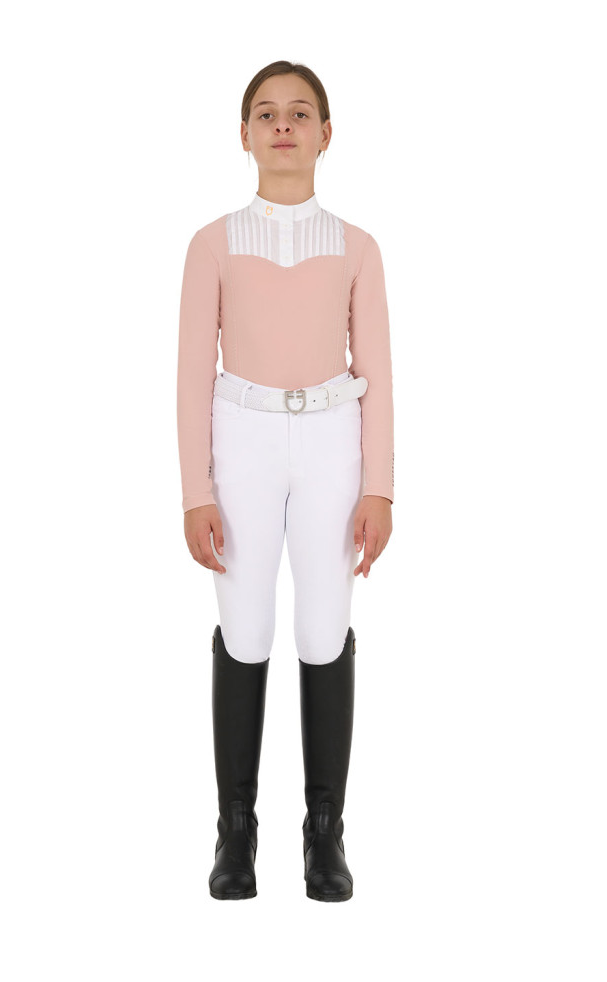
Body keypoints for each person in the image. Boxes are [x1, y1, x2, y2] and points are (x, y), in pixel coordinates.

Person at [176, 60, 394, 902]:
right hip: (244, 435)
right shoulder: (212, 244)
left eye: (300, 113)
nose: (282, 126)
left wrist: (379, 485)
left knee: (324, 626)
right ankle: (236, 830)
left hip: (333, 437)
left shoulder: (358, 249)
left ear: (326, 134)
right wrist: (196, 490)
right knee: (246, 626)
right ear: (243, 135)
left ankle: (324, 832)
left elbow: (378, 370)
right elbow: (192, 374)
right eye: (266, 114)